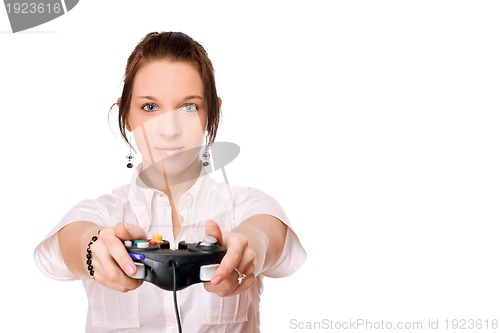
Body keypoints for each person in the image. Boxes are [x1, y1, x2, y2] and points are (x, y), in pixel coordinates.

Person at [33, 31, 306, 333]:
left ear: (211, 112)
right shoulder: (102, 212)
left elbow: (265, 235)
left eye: (189, 107)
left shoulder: (246, 205)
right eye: (150, 107)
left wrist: (248, 249)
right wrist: (93, 248)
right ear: (126, 114)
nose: (170, 129)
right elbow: (71, 241)